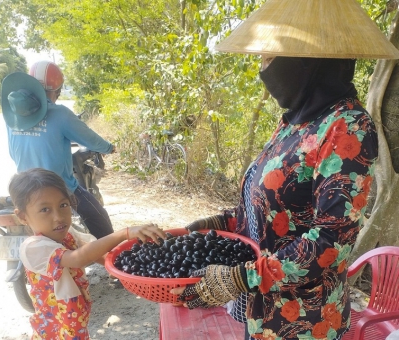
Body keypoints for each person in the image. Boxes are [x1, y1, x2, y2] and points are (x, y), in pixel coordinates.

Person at [171, 1, 399, 339]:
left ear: (305, 62)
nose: (263, 69)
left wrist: (242, 277)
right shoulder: (294, 123)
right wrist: (222, 224)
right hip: (261, 312)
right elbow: (276, 209)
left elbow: (330, 242)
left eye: (268, 58)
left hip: (304, 322)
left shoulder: (346, 128)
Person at [8, 167, 166, 339]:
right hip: (54, 329)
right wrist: (123, 233)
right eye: (45, 210)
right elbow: (78, 258)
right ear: (23, 216)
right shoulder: (34, 247)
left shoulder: (67, 235)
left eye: (63, 205)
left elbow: (94, 253)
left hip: (74, 322)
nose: (58, 217)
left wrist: (128, 271)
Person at [1, 61, 115, 239]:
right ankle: (111, 257)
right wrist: (109, 148)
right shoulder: (60, 114)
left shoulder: (13, 115)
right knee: (99, 219)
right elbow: (92, 140)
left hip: (23, 186)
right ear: (56, 91)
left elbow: (12, 152)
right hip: (57, 186)